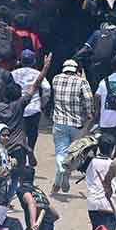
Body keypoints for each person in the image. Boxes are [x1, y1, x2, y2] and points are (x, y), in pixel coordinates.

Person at [51, 58, 94, 193]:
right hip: (77, 124)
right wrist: (89, 113)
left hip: (59, 122)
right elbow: (88, 98)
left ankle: (59, 179)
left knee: (60, 152)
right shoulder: (82, 82)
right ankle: (63, 175)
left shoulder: (56, 79)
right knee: (74, 154)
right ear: (76, 70)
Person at [86, 134, 116, 230]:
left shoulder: (92, 163)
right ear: (112, 149)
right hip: (108, 203)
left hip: (93, 203)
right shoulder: (113, 164)